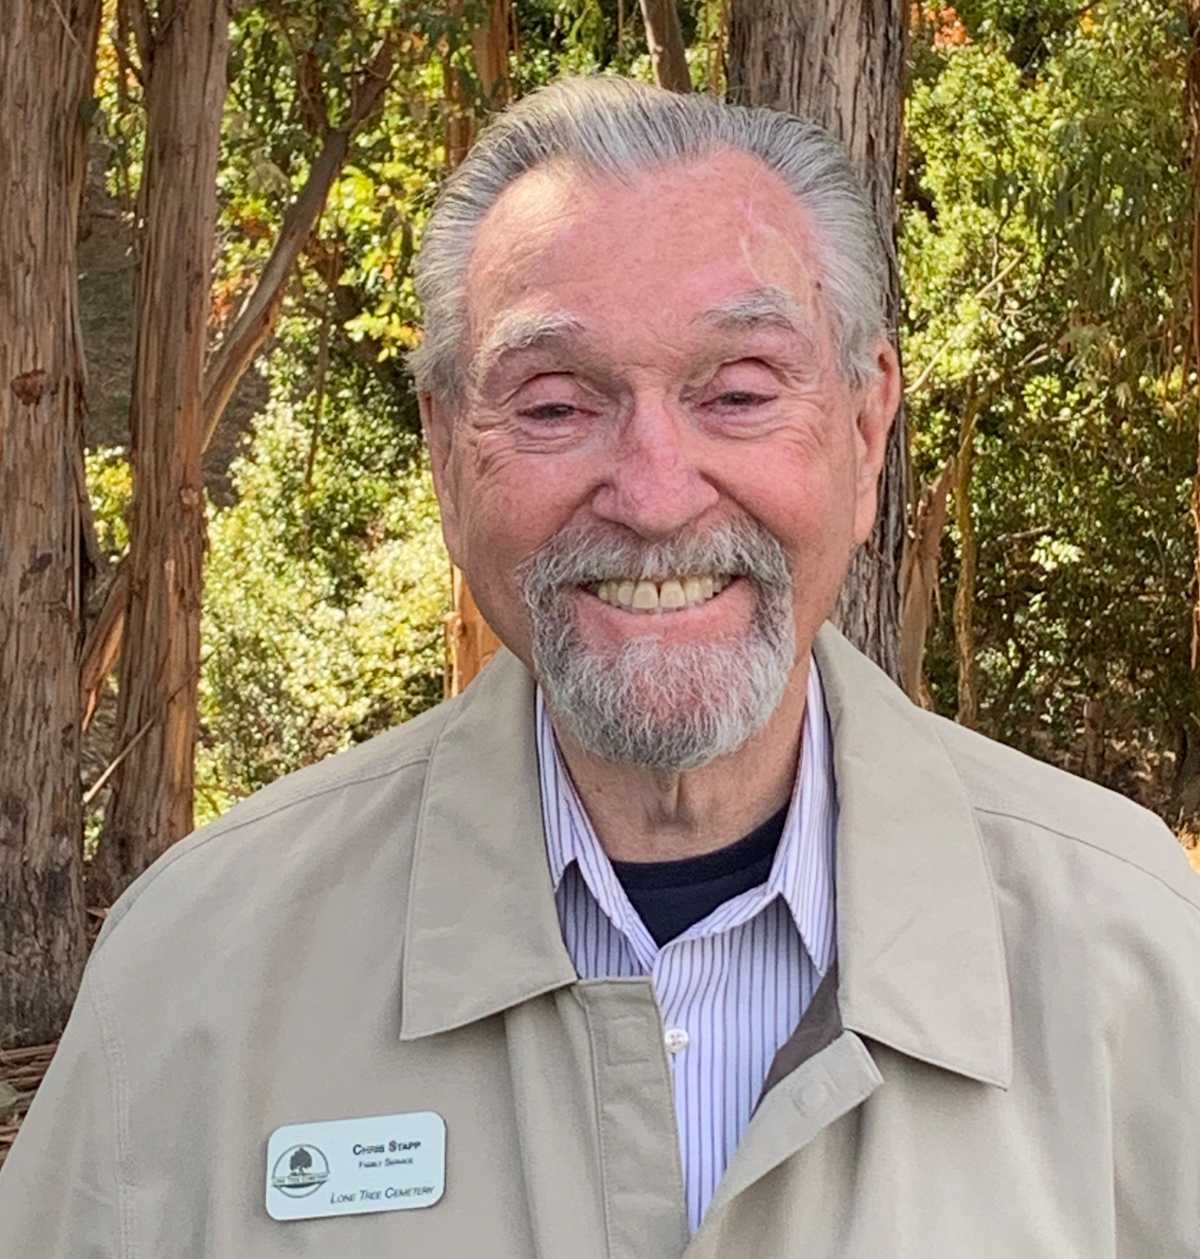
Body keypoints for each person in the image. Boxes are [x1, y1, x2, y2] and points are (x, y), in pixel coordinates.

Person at [1, 75, 1198, 1258]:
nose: (657, 495)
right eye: (559, 405)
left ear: (868, 426)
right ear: (444, 449)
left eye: (735, 392)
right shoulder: (197, 976)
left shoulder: (1135, 961)